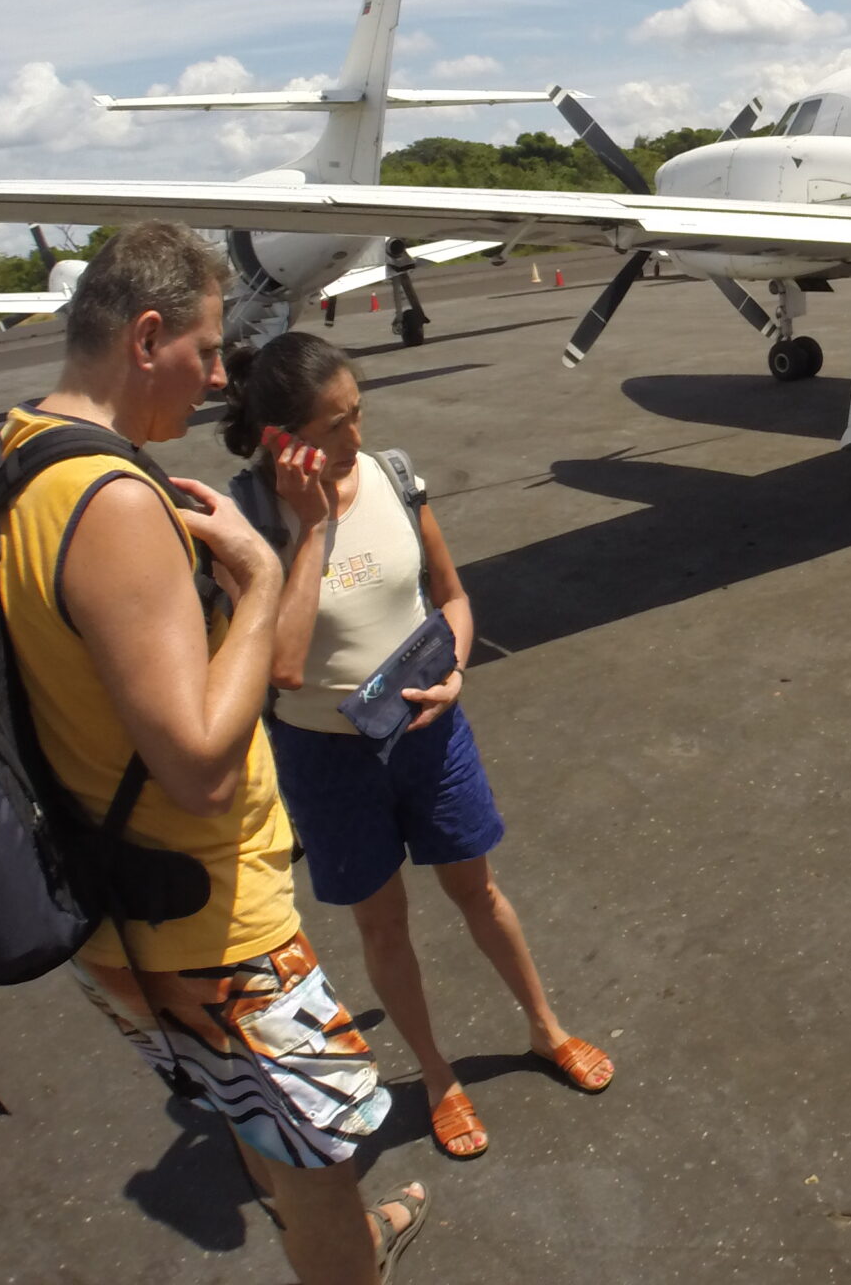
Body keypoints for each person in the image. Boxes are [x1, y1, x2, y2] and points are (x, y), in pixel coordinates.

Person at [0, 224, 424, 1285]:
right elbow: (198, 764)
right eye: (210, 351)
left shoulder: (15, 453)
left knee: (255, 1117)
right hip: (215, 924)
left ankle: (353, 1240)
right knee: (324, 1165)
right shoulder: (118, 504)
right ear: (146, 337)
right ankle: (348, 1251)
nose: (223, 377)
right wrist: (262, 581)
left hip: (115, 910)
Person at [223, 333, 613, 1165]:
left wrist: (456, 671)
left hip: (428, 732)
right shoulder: (250, 522)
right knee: (384, 922)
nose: (354, 439)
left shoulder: (395, 476)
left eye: (358, 413)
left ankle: (545, 1029)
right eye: (333, 425)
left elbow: (454, 597)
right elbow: (283, 666)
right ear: (279, 438)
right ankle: (436, 1077)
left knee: (479, 890)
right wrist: (317, 530)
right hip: (326, 757)